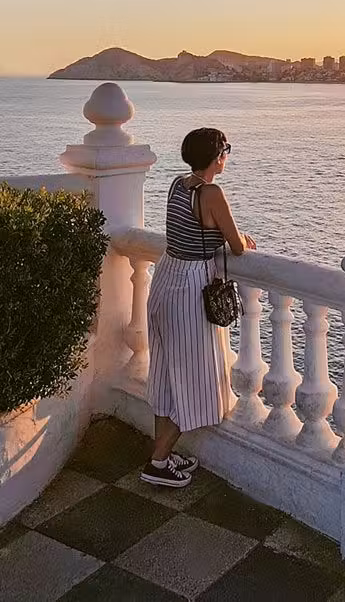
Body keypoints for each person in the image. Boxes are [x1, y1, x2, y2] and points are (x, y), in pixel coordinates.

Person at [141, 128, 255, 487]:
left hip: (165, 276)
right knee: (189, 379)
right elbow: (237, 246)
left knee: (165, 373)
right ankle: (157, 462)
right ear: (217, 155)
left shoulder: (179, 185)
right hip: (189, 287)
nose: (227, 156)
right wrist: (245, 241)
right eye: (226, 150)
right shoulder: (211, 193)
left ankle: (161, 456)